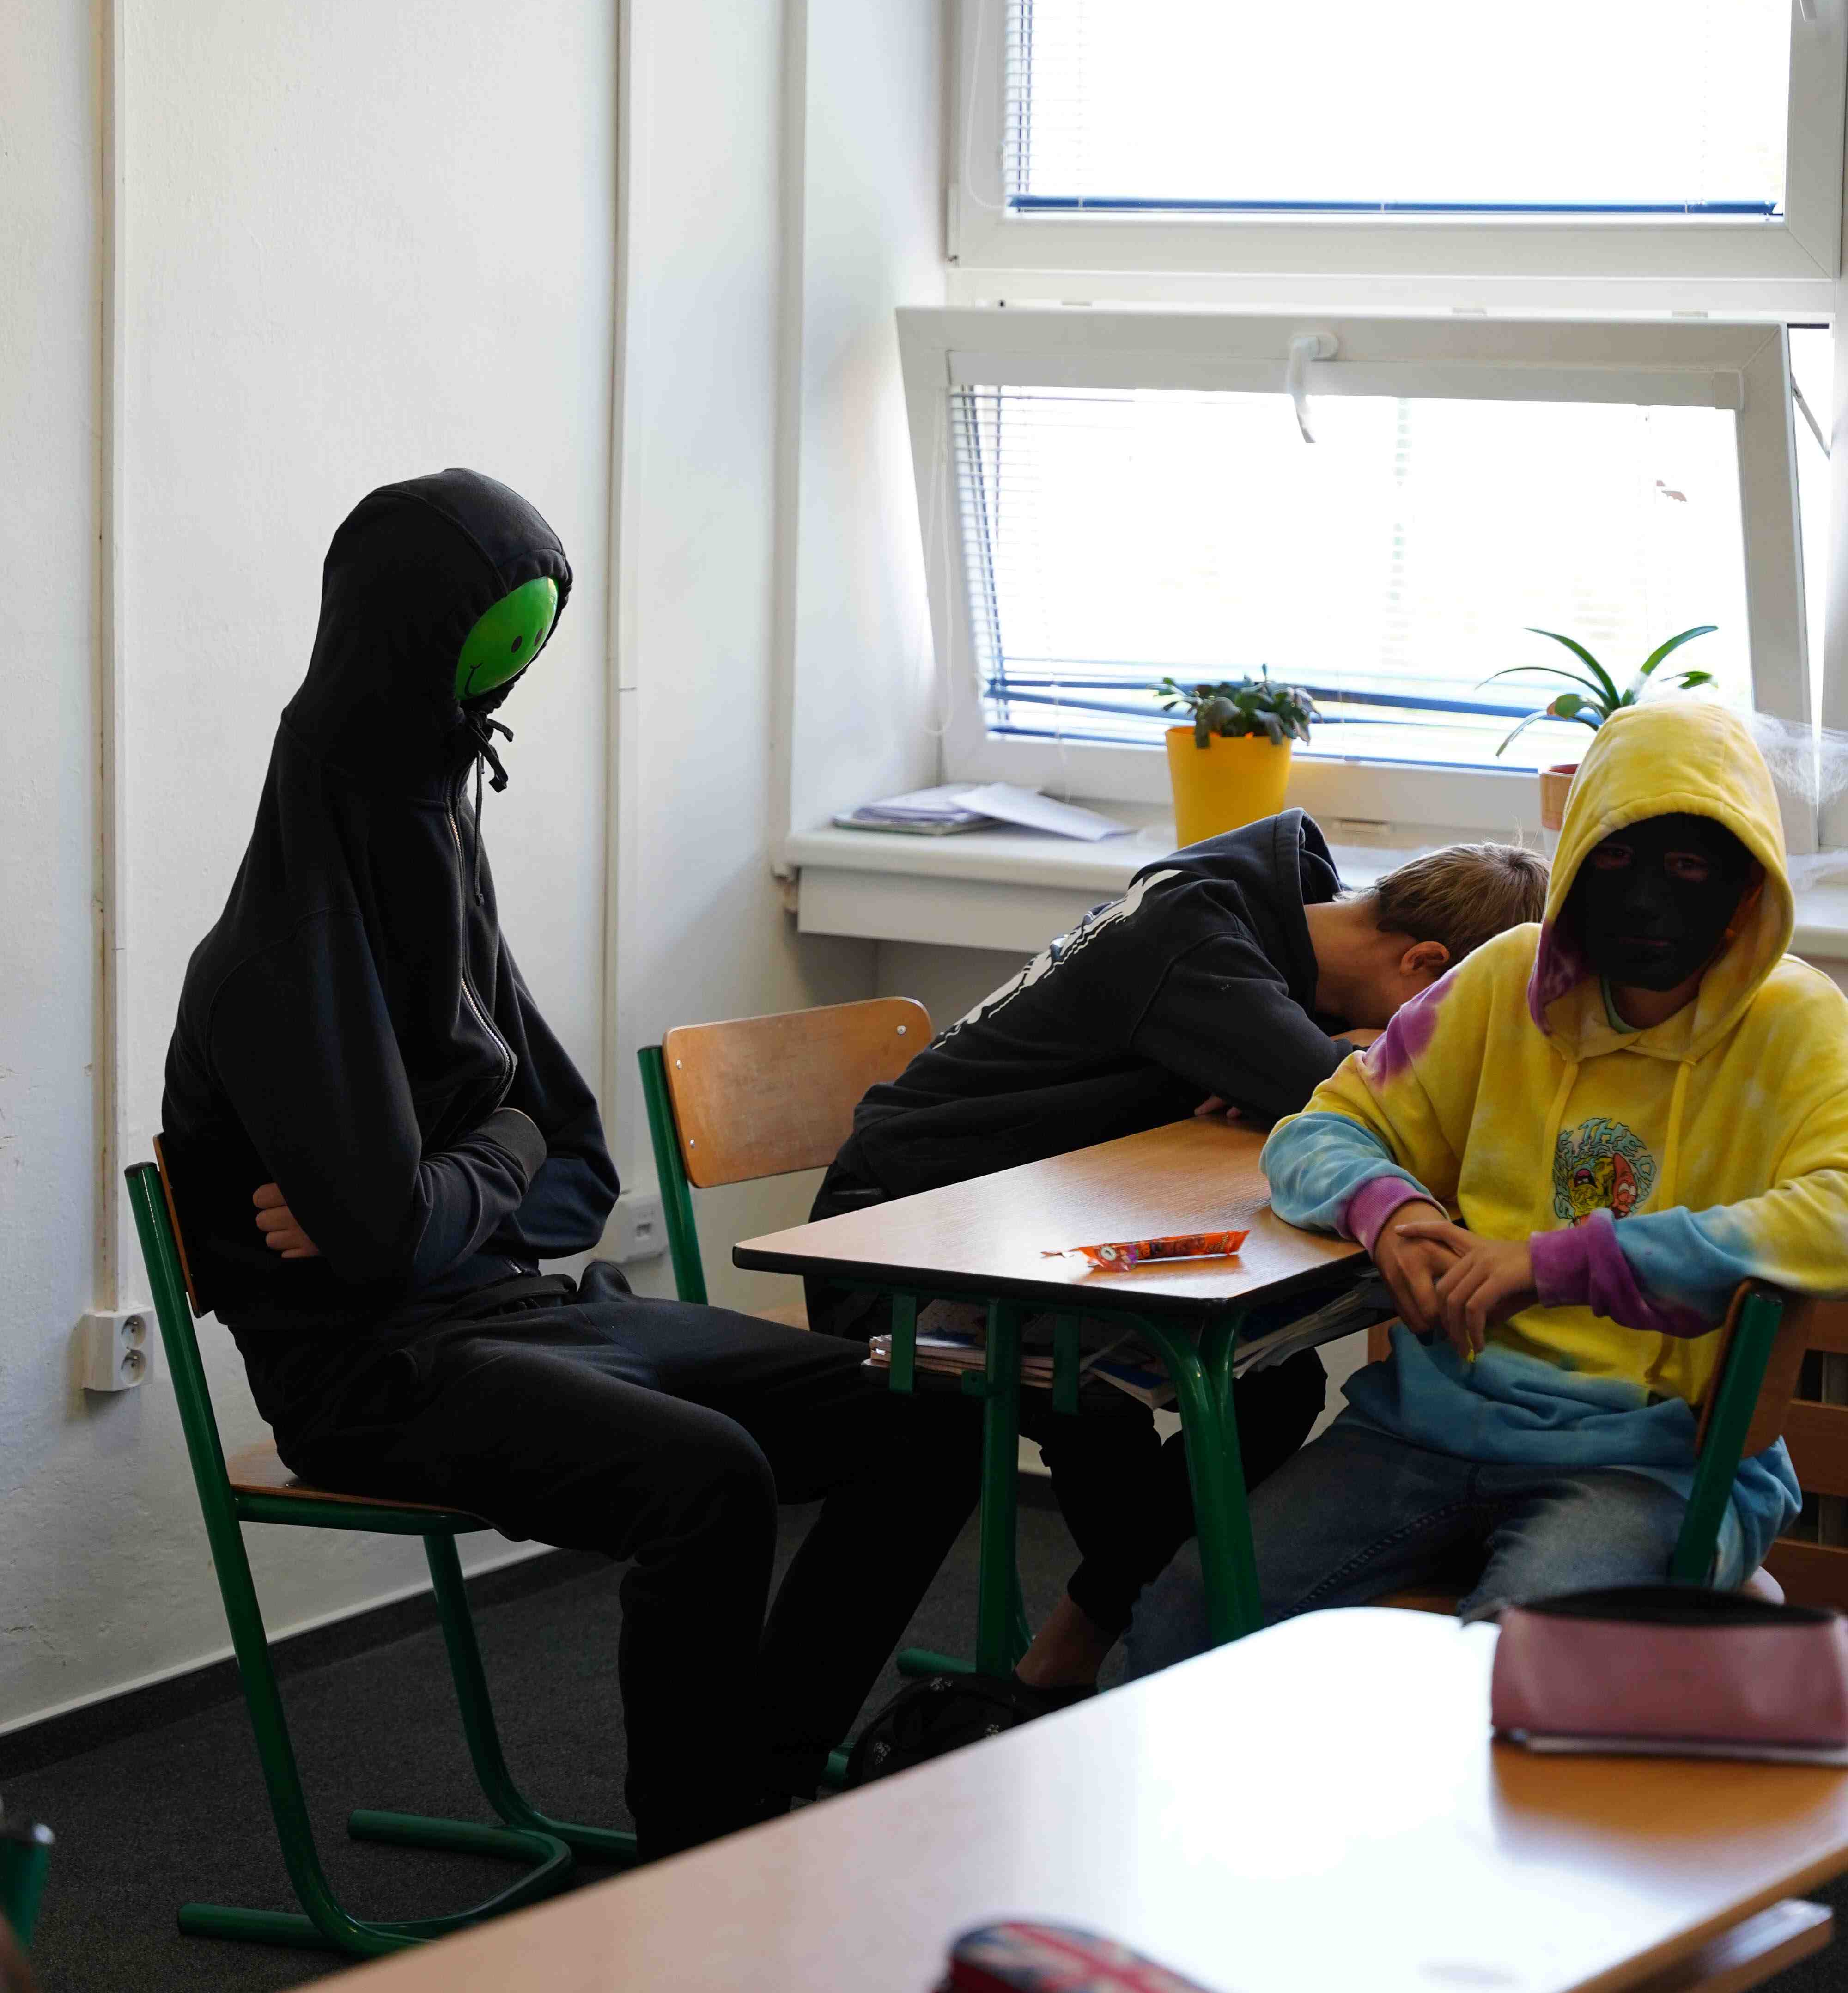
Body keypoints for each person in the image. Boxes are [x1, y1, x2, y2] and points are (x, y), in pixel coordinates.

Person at [162, 469, 980, 1861]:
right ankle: (694, 1851)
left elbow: (575, 1167)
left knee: (925, 1418)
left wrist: (457, 1176)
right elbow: (395, 1242)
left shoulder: (441, 875)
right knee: (708, 1480)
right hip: (371, 1376)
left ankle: (753, 1785)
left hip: (527, 1312)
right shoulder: (272, 966)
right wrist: (485, 1155)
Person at [1125, 698, 1848, 1675]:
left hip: (1650, 1461)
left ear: (1744, 885)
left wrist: (1558, 1264)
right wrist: (1390, 1211)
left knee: (1521, 1681)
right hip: (1422, 1426)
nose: (1645, 902)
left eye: (1687, 867)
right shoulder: (1503, 981)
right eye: (1614, 858)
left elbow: (1837, 1212)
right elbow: (1318, 1132)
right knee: (1189, 1616)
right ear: (1575, 859)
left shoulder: (1797, 1021)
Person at [809, 815, 1548, 1691]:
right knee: (1143, 1412)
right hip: (898, 1238)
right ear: (1423, 965)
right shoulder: (1194, 944)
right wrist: (1340, 1062)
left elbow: (1317, 1090)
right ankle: (1112, 1658)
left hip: (1039, 1234)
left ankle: (1074, 1660)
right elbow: (1364, 1112)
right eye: (1444, 1028)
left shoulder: (1276, 928)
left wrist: (1311, 1060)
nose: (1440, 1054)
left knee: (1269, 1387)